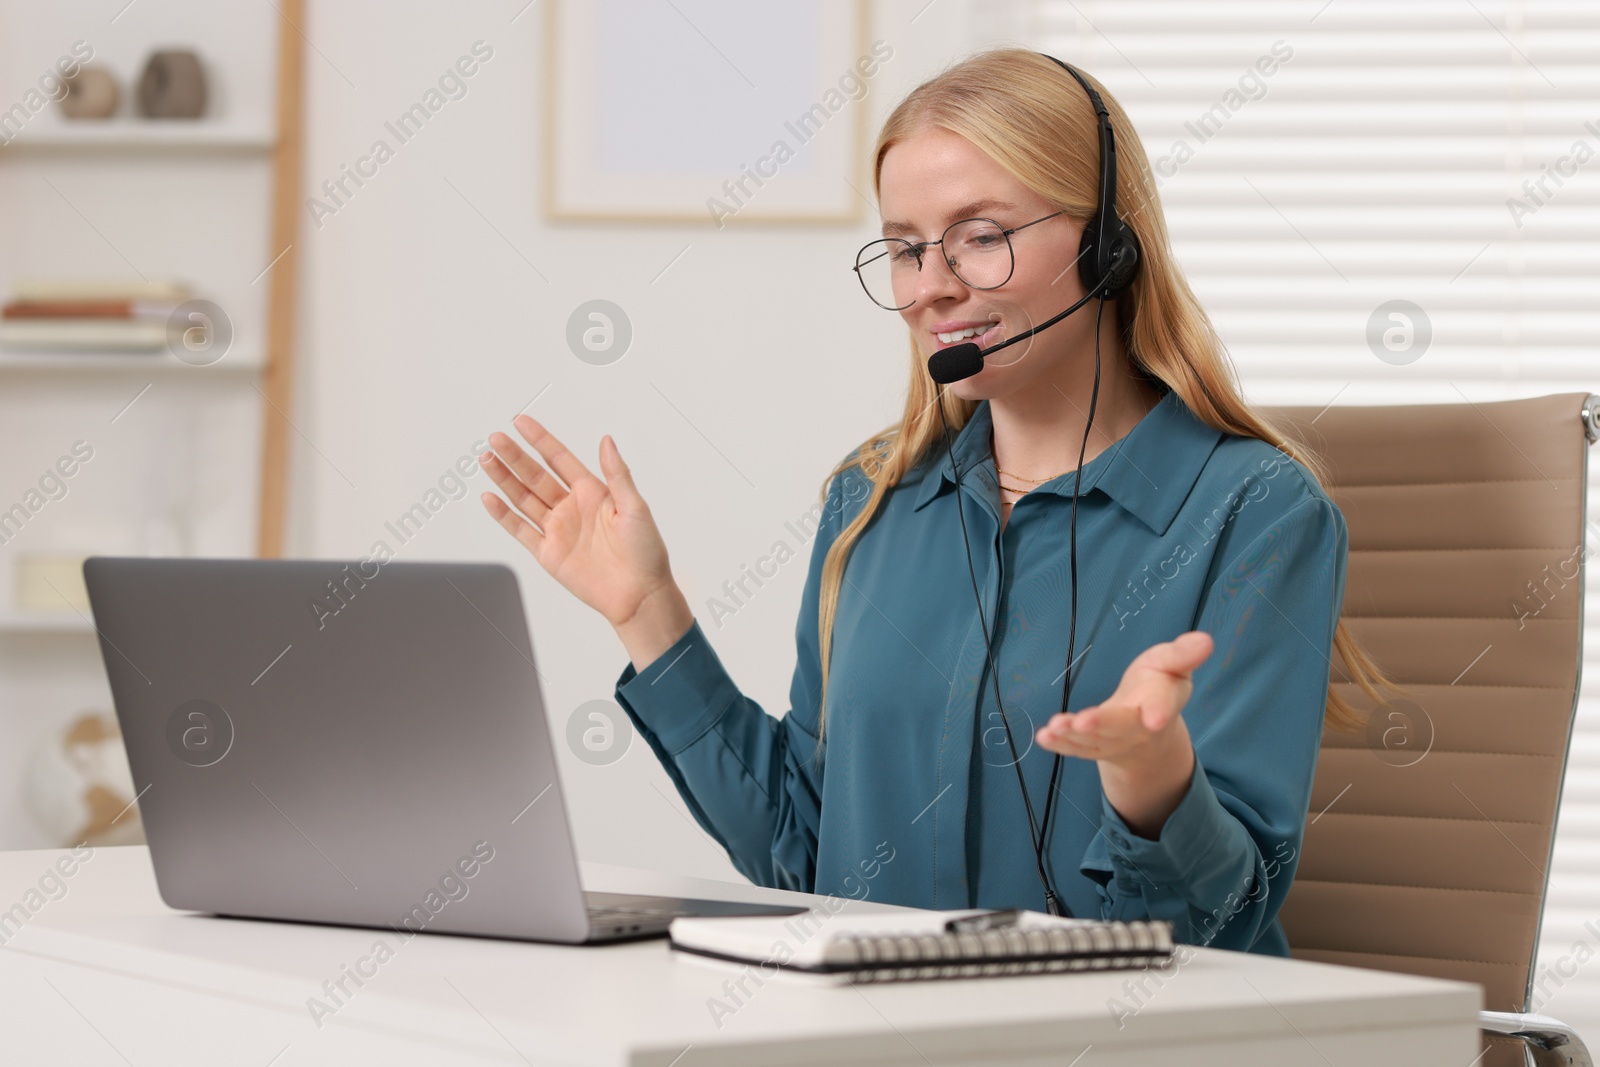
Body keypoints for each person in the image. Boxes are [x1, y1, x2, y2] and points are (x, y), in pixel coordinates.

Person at [477, 49, 1396, 955]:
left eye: (981, 235)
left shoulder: (1257, 512)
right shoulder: (869, 503)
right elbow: (802, 857)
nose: (931, 286)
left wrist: (1154, 781)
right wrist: (648, 615)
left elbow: (1217, 926)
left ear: (1108, 244)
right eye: (908, 248)